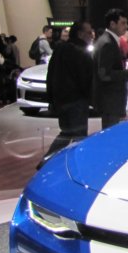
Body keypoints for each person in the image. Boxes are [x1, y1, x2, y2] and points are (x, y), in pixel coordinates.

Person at [42, 20, 95, 161]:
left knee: (66, 133)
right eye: (89, 32)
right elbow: (86, 79)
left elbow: (50, 74)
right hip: (77, 101)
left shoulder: (60, 49)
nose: (92, 35)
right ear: (80, 34)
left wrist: (51, 98)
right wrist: (92, 99)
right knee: (79, 135)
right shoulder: (82, 52)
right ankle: (77, 164)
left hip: (61, 100)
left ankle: (48, 160)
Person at [93, 8, 128, 129]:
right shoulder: (107, 43)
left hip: (111, 101)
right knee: (110, 134)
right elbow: (104, 74)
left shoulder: (109, 40)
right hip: (110, 101)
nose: (126, 27)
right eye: (123, 23)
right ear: (112, 24)